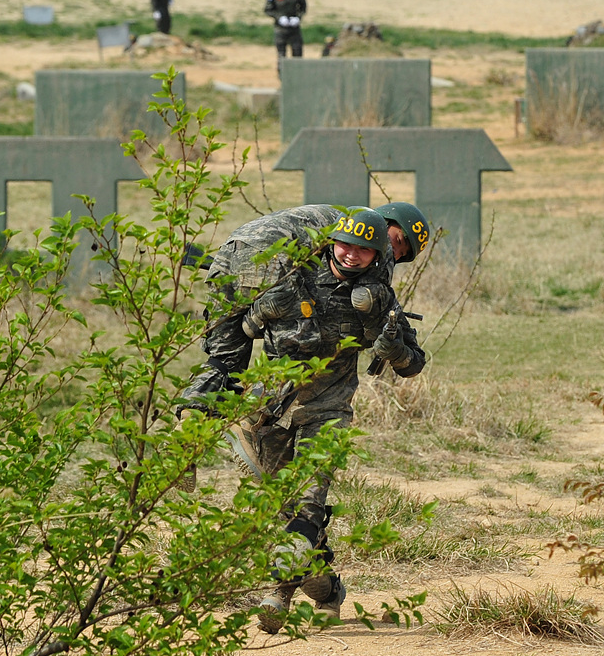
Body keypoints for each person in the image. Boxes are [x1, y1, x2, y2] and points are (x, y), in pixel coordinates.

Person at [180, 204, 428, 633]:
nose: (386, 249)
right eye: (397, 237)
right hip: (273, 403)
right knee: (281, 499)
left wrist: (392, 348)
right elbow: (248, 327)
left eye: (391, 249)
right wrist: (260, 309)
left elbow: (408, 355)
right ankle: (324, 585)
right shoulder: (300, 271)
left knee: (305, 504)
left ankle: (282, 590)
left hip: (324, 409)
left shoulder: (374, 292)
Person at [264, 0, 307, 70]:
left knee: (297, 54)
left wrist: (297, 18)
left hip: (294, 28)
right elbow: (268, 9)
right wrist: (279, 18)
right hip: (280, 29)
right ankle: (283, 80)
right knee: (281, 56)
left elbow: (303, 6)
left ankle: (297, 78)